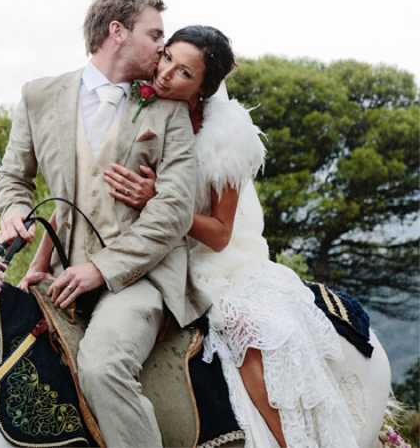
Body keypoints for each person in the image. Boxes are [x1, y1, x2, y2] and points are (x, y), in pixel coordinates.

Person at [98, 25, 357, 446]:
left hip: (210, 257)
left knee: (248, 327)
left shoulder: (225, 137)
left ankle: (290, 440)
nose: (165, 74)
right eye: (167, 58)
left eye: (184, 72)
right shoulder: (139, 102)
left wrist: (159, 200)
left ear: (203, 89)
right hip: (151, 247)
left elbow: (220, 234)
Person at [0, 0, 211, 447]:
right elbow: (13, 176)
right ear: (117, 32)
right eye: (154, 35)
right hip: (61, 276)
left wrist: (102, 268)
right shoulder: (38, 96)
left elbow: (174, 211)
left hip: (143, 279)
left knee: (102, 367)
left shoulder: (170, 110)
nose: (163, 48)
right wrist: (13, 210)